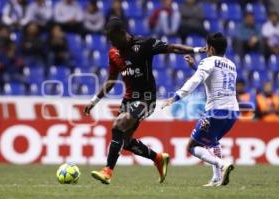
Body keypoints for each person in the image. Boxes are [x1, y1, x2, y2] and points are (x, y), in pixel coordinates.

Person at [83, 17, 205, 184]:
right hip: (128, 100)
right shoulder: (114, 53)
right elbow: (111, 80)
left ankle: (107, 171)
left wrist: (197, 50)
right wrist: (94, 100)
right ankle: (158, 159)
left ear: (121, 33)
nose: (111, 43)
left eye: (112, 38)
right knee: (124, 142)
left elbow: (171, 48)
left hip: (146, 99)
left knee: (118, 125)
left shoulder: (144, 44)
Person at [162, 33, 239, 186]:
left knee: (192, 146)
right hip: (233, 112)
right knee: (213, 141)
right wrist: (195, 67)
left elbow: (194, 81)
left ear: (209, 48)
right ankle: (217, 178)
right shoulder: (231, 64)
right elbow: (215, 78)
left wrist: (175, 97)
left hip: (216, 111)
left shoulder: (208, 61)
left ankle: (222, 164)